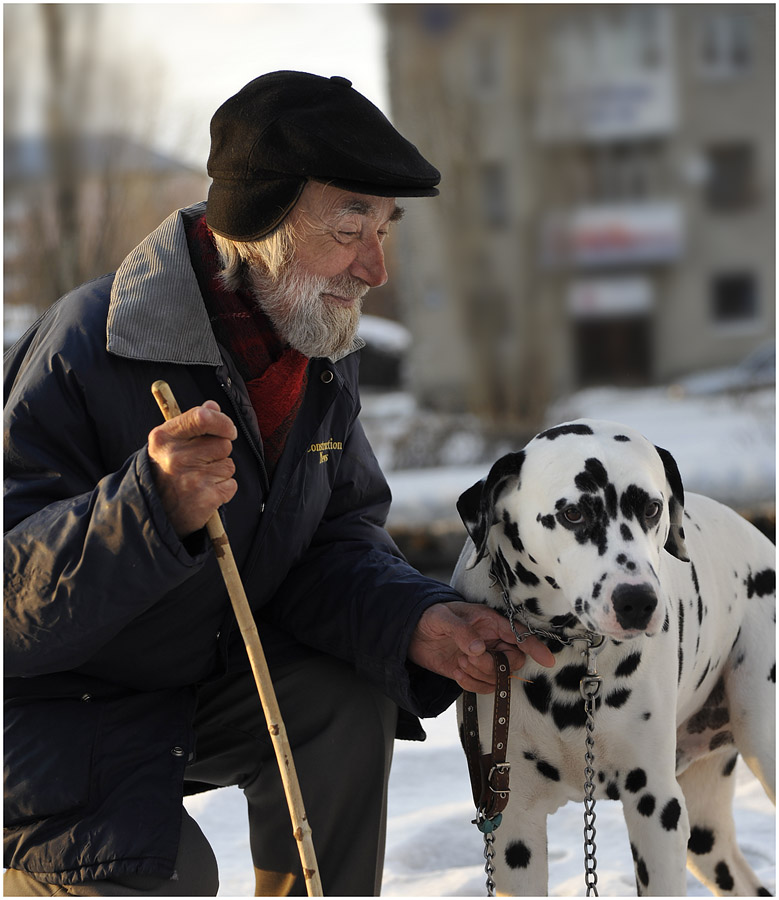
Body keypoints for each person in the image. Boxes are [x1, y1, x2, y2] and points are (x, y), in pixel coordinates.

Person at [4, 71, 554, 897]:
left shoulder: (312, 351)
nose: (374, 266)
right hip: (60, 720)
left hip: (203, 686)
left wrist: (417, 617)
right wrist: (150, 510)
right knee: (166, 874)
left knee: (341, 694)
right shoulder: (89, 343)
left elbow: (332, 543)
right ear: (259, 222)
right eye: (348, 226)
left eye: (384, 228)